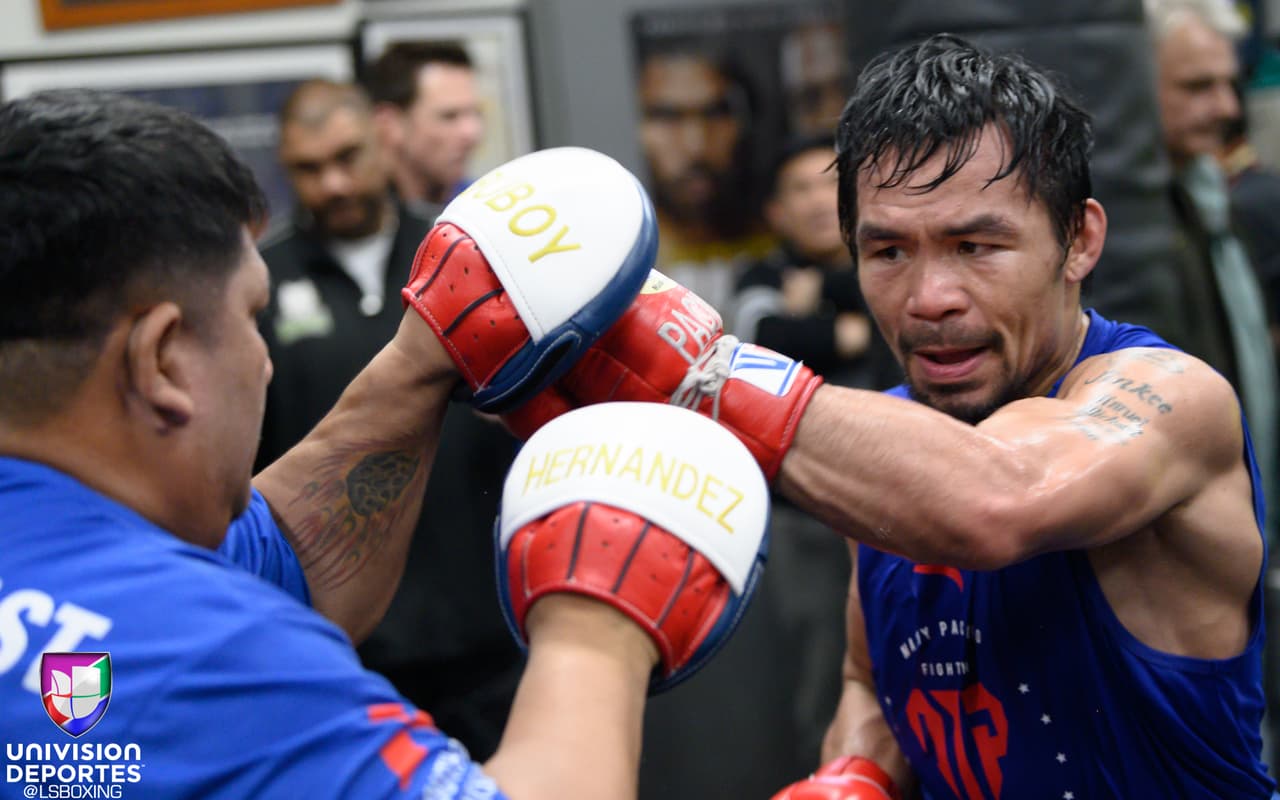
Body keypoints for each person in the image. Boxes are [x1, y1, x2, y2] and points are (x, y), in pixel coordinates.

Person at [519, 33, 1275, 797]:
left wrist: (691, 369)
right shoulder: (880, 445)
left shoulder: (1169, 399)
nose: (928, 298)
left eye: (976, 245)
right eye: (887, 254)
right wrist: (856, 775)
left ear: (1078, 241)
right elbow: (873, 680)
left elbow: (997, 495)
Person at [0, 88, 764, 800]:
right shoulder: (210, 657)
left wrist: (423, 362)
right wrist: (596, 618)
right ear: (162, 360)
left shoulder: (87, 559)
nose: (261, 357)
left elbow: (286, 558)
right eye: (247, 316)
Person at [259, 77, 523, 759]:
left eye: (348, 156)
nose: (334, 184)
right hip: (346, 647)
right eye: (308, 170)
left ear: (384, 141)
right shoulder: (260, 284)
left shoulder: (467, 253)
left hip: (488, 631)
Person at [1147, 0, 1279, 542]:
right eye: (1198, 87)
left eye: (1230, 84)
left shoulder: (1211, 206)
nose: (1226, 106)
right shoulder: (1131, 226)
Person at [635, 43, 775, 319]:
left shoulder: (775, 234)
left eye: (715, 113)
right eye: (667, 117)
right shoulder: (623, 256)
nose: (696, 146)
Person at [365, 40, 485, 215]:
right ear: (389, 124)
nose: (472, 132)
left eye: (475, 113)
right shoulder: (363, 219)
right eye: (449, 116)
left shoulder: (483, 209)